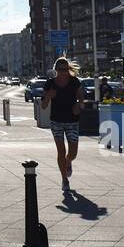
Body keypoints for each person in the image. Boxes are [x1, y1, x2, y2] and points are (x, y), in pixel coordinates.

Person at [41, 57, 82, 195]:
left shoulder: (75, 82)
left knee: (73, 152)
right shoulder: (50, 84)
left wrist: (78, 105)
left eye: (65, 69)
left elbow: (80, 99)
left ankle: (68, 162)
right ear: (56, 70)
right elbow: (43, 105)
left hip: (72, 120)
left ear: (68, 69)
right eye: (60, 69)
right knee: (60, 151)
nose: (63, 72)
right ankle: (64, 180)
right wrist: (49, 96)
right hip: (56, 121)